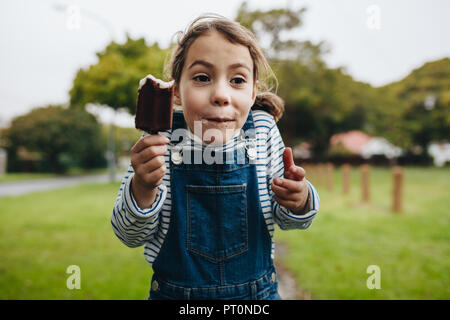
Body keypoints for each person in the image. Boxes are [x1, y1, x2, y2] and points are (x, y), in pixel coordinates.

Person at [111, 14, 320, 300]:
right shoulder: (159, 139)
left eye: (237, 80)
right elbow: (128, 235)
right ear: (176, 91)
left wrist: (300, 199)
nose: (221, 94)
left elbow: (291, 220)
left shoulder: (262, 130)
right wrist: (143, 187)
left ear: (253, 91)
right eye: (202, 78)